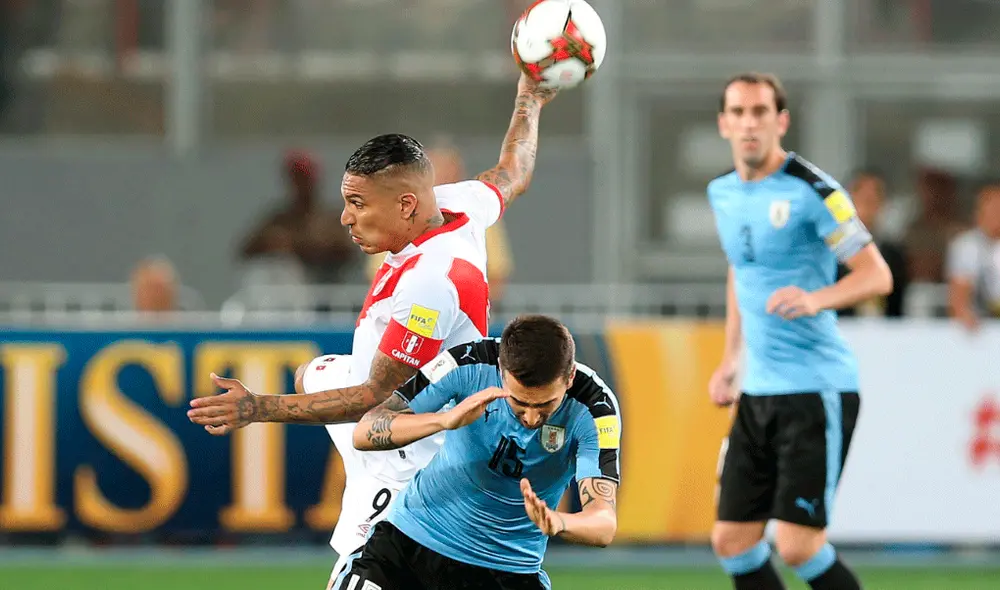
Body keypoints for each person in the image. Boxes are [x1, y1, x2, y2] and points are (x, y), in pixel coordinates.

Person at [188, 73, 558, 584]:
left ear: (406, 204)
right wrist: (529, 98)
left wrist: (257, 407)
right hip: (388, 411)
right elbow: (512, 171)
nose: (344, 218)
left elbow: (372, 397)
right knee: (316, 372)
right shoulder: (456, 205)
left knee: (365, 564)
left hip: (406, 458)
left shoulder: (434, 281)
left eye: (358, 204)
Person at [706, 72, 893, 590]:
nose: (749, 124)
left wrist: (815, 298)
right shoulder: (721, 193)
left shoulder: (816, 192)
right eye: (738, 112)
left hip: (814, 389)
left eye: (761, 112)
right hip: (757, 393)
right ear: (724, 123)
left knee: (797, 545)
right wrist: (730, 361)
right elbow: (740, 272)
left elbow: (877, 275)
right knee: (733, 542)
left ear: (780, 121)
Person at [338, 314, 621, 590]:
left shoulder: (595, 409)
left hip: (508, 570)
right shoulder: (466, 363)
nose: (532, 418)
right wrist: (444, 420)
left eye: (546, 405)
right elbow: (364, 432)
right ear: (501, 370)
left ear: (569, 377)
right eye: (519, 403)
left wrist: (558, 522)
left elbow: (604, 523)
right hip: (410, 544)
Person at [239, 149, 356, 284]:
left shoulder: (332, 219)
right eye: (297, 178)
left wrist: (298, 246)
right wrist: (271, 244)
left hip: (326, 294)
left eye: (305, 178)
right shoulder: (280, 220)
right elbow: (246, 250)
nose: (301, 184)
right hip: (290, 296)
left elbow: (349, 251)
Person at [835, 168, 909, 318]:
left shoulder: (895, 254)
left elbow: (898, 306)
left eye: (875, 196)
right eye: (862, 196)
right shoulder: (828, 250)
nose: (868, 202)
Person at [946, 179, 1000, 331]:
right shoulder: (965, 246)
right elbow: (959, 297)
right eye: (993, 208)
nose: (997, 213)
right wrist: (964, 314)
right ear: (979, 212)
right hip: (980, 330)